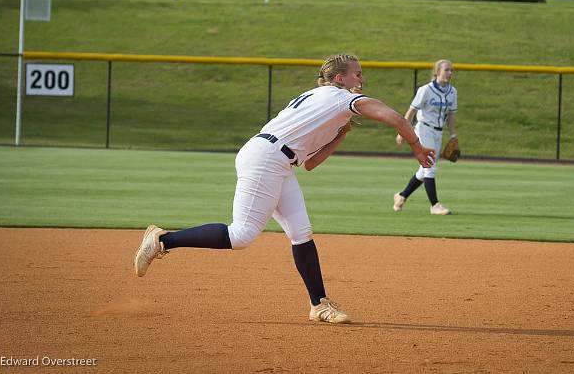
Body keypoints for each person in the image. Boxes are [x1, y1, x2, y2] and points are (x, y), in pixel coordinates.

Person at [134, 53, 435, 324]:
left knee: (301, 233)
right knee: (241, 234)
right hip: (267, 159)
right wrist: (418, 148)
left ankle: (319, 305)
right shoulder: (342, 98)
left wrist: (340, 135)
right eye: (357, 74)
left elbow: (310, 164)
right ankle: (163, 240)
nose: (362, 79)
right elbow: (395, 117)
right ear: (339, 78)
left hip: (278, 161)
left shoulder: (322, 99)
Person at [393, 59, 457, 216]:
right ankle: (435, 205)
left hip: (438, 132)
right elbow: (411, 111)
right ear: (437, 72)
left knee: (423, 171)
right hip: (424, 130)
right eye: (447, 70)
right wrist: (402, 131)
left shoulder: (452, 92)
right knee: (430, 166)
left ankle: (402, 196)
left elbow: (450, 116)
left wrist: (453, 135)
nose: (450, 73)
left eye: (451, 70)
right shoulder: (425, 90)